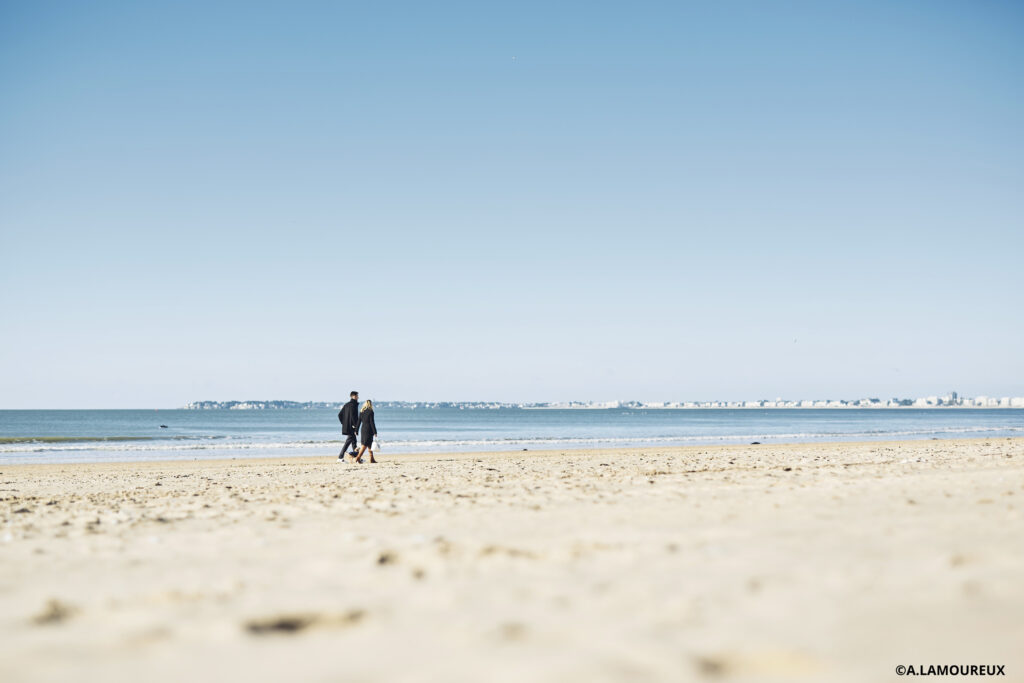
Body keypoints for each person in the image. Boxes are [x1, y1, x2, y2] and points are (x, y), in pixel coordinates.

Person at [352, 399, 378, 464]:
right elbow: (372, 422)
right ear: (370, 404)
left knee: (369, 445)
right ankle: (358, 458)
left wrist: (356, 430)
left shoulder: (362, 411)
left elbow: (359, 422)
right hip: (369, 430)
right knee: (364, 445)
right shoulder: (371, 412)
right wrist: (375, 432)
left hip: (363, 429)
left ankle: (372, 459)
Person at [337, 391, 359, 461]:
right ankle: (340, 457)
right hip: (352, 427)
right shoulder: (353, 405)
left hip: (348, 426)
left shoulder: (346, 405)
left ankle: (357, 457)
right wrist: (355, 426)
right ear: (353, 396)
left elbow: (339, 415)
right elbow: (353, 417)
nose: (358, 397)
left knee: (354, 442)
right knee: (348, 442)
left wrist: (344, 423)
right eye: (357, 396)